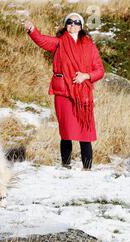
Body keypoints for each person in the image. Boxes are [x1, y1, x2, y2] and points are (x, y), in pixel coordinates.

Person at [24, 13, 105, 170]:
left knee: (85, 132)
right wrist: (32, 30)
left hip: (83, 94)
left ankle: (87, 168)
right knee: (66, 130)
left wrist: (86, 76)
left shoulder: (90, 46)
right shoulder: (59, 43)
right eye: (69, 22)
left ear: (81, 26)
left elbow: (100, 70)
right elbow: (41, 40)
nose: (72, 24)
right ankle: (65, 166)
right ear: (65, 25)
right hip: (63, 92)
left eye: (76, 22)